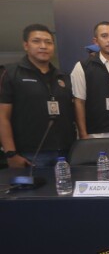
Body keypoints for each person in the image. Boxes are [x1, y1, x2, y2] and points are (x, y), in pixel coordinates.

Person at [0, 24, 76, 168]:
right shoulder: (11, 73)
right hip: (30, 155)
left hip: (66, 153)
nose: (43, 46)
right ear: (26, 45)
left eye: (48, 42)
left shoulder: (63, 77)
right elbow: (2, 117)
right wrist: (11, 154)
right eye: (36, 41)